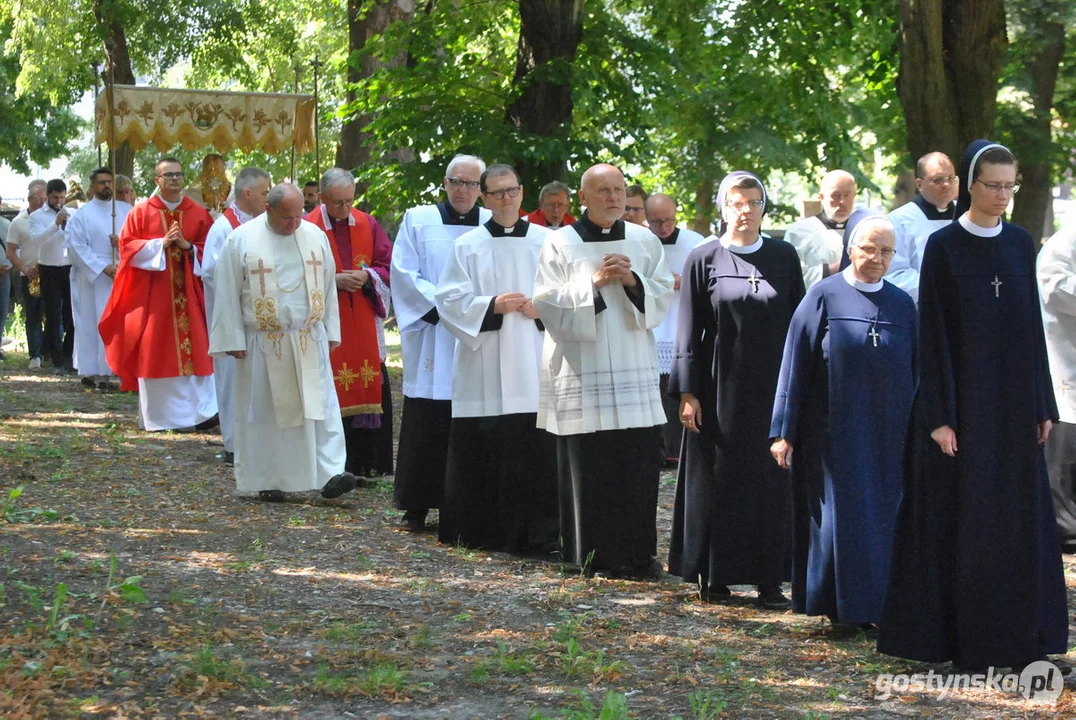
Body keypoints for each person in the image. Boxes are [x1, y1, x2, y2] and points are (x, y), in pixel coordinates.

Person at [879, 141, 1068, 670]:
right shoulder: (944, 247)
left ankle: (1019, 640)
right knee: (964, 523)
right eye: (993, 185)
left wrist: (1042, 402)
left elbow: (1032, 329)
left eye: (1011, 186)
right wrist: (939, 416)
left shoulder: (1019, 243)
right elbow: (933, 337)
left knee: (1014, 524)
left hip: (1012, 411)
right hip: (962, 412)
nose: (1003, 196)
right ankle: (961, 643)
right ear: (970, 185)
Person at [771, 211, 916, 626]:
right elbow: (794, 365)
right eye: (869, 248)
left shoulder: (902, 304)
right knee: (839, 521)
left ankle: (879, 606)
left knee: (883, 518)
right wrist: (784, 430)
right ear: (851, 247)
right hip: (832, 434)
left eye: (886, 250)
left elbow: (918, 371)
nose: (877, 257)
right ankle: (838, 607)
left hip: (888, 433)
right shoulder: (823, 295)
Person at [667, 172, 803, 607]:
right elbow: (687, 326)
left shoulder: (784, 256)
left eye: (753, 202)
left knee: (769, 479)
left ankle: (769, 579)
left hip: (772, 384)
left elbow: (798, 324)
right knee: (718, 479)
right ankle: (717, 573)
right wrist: (688, 392)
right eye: (736, 202)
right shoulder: (703, 257)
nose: (745, 211)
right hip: (718, 386)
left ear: (765, 208)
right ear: (724, 208)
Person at [533, 162, 675, 575]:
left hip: (632, 360)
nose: (613, 197)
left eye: (619, 189)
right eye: (603, 190)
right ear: (583, 198)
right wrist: (592, 283)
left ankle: (639, 555)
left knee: (635, 464)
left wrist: (633, 281)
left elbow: (662, 294)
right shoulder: (559, 242)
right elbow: (546, 303)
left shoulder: (645, 240)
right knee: (589, 464)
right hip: (582, 367)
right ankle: (586, 553)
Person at [208, 183, 360, 502]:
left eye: (298, 216)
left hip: (308, 337)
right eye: (286, 218)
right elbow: (226, 291)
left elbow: (329, 286)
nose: (293, 224)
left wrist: (331, 331)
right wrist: (231, 337)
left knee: (320, 407)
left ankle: (330, 473)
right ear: (268, 210)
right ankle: (270, 476)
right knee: (268, 411)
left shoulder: (314, 235)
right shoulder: (242, 239)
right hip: (265, 341)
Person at [435, 163, 558, 552]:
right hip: (484, 360)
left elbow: (567, 294)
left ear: (522, 193)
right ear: (484, 198)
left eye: (512, 191)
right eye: (497, 193)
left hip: (534, 357)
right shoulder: (467, 245)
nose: (505, 199)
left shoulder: (548, 241)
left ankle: (539, 536)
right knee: (483, 449)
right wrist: (492, 305)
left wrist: (544, 307)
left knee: (534, 451)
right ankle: (477, 532)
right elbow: (449, 301)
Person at [391, 154, 491, 531]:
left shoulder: (491, 224)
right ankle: (416, 504)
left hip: (475, 336)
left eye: (471, 184)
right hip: (434, 334)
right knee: (427, 419)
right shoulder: (419, 219)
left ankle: (466, 503)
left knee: (472, 418)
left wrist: (471, 312)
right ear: (444, 183)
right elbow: (403, 271)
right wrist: (446, 307)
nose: (463, 190)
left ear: (481, 189)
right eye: (457, 182)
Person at [99, 157, 219, 431]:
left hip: (189, 297)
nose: (175, 180)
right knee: (156, 352)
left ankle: (201, 416)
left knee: (199, 351)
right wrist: (160, 244)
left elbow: (211, 251)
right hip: (156, 298)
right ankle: (163, 418)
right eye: (169, 176)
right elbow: (128, 247)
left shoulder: (198, 213)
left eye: (178, 175)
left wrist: (189, 247)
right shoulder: (141, 213)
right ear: (158, 180)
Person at [306, 168, 394, 478]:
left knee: (369, 378)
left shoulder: (367, 223)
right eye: (338, 202)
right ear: (322, 198)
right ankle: (335, 465)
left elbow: (387, 265)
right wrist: (333, 280)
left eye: (349, 200)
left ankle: (368, 462)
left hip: (363, 320)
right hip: (326, 321)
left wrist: (366, 276)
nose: (345, 209)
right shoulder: (306, 227)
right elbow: (294, 272)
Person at [200, 167, 272, 464]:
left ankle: (257, 439)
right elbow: (210, 272)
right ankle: (233, 443)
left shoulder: (264, 224)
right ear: (247, 194)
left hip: (260, 318)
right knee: (231, 379)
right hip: (232, 316)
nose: (269, 198)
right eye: (265, 192)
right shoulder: (223, 228)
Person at [644, 192, 705, 464]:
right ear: (647, 219)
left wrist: (688, 282)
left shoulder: (696, 243)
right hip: (653, 327)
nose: (664, 227)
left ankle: (680, 452)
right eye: (657, 222)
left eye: (669, 220)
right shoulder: (641, 243)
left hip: (681, 323)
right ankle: (657, 451)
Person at [65, 168, 132, 389]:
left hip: (122, 270)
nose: (106, 186)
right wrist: (102, 267)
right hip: (94, 275)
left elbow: (136, 238)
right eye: (101, 182)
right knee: (92, 322)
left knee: (119, 323)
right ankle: (93, 370)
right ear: (93, 186)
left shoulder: (125, 210)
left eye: (109, 182)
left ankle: (117, 369)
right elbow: (76, 246)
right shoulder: (83, 214)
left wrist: (120, 243)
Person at [1037, 219, 1076, 551]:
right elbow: (1056, 288)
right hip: (1066, 378)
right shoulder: (1063, 244)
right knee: (1062, 470)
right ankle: (1066, 537)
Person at [886, 152, 958, 302]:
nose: (946, 185)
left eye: (950, 178)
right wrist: (942, 287)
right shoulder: (899, 220)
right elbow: (895, 273)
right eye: (937, 180)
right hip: (923, 308)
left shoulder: (968, 216)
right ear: (919, 184)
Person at [28, 179, 75, 371]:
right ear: (48, 195)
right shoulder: (37, 216)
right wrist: (55, 225)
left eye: (62, 197)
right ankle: (57, 360)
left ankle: (69, 354)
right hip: (49, 268)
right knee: (54, 316)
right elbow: (37, 240)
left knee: (72, 314)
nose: (59, 201)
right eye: (56, 197)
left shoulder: (73, 213)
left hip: (70, 267)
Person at [784, 170, 858, 289]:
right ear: (822, 197)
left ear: (854, 196)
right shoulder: (799, 231)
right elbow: (790, 277)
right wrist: (831, 270)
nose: (842, 202)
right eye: (836, 195)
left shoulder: (865, 230)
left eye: (847, 195)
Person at [5, 180, 47, 367]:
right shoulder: (18, 222)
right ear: (29, 198)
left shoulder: (52, 217)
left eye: (45, 198)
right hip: (30, 275)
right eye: (39, 198)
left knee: (56, 316)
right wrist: (23, 268)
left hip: (53, 272)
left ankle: (54, 353)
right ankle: (35, 355)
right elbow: (10, 250)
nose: (42, 202)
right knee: (33, 315)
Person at [0, 198, 10, 360]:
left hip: (3, 272)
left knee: (2, 310)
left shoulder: (7, 225)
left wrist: (6, 266)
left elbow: (15, 248)